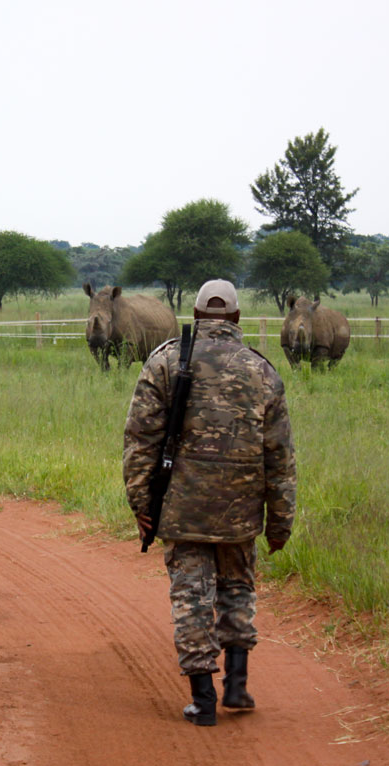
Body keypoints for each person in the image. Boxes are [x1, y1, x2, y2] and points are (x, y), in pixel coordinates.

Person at [123, 279, 296, 727]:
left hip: (181, 509)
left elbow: (140, 438)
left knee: (191, 599)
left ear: (196, 316)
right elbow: (279, 457)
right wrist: (280, 522)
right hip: (240, 512)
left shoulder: (164, 361)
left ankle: (202, 703)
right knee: (237, 588)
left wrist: (141, 502)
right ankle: (236, 685)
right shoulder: (263, 371)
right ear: (236, 318)